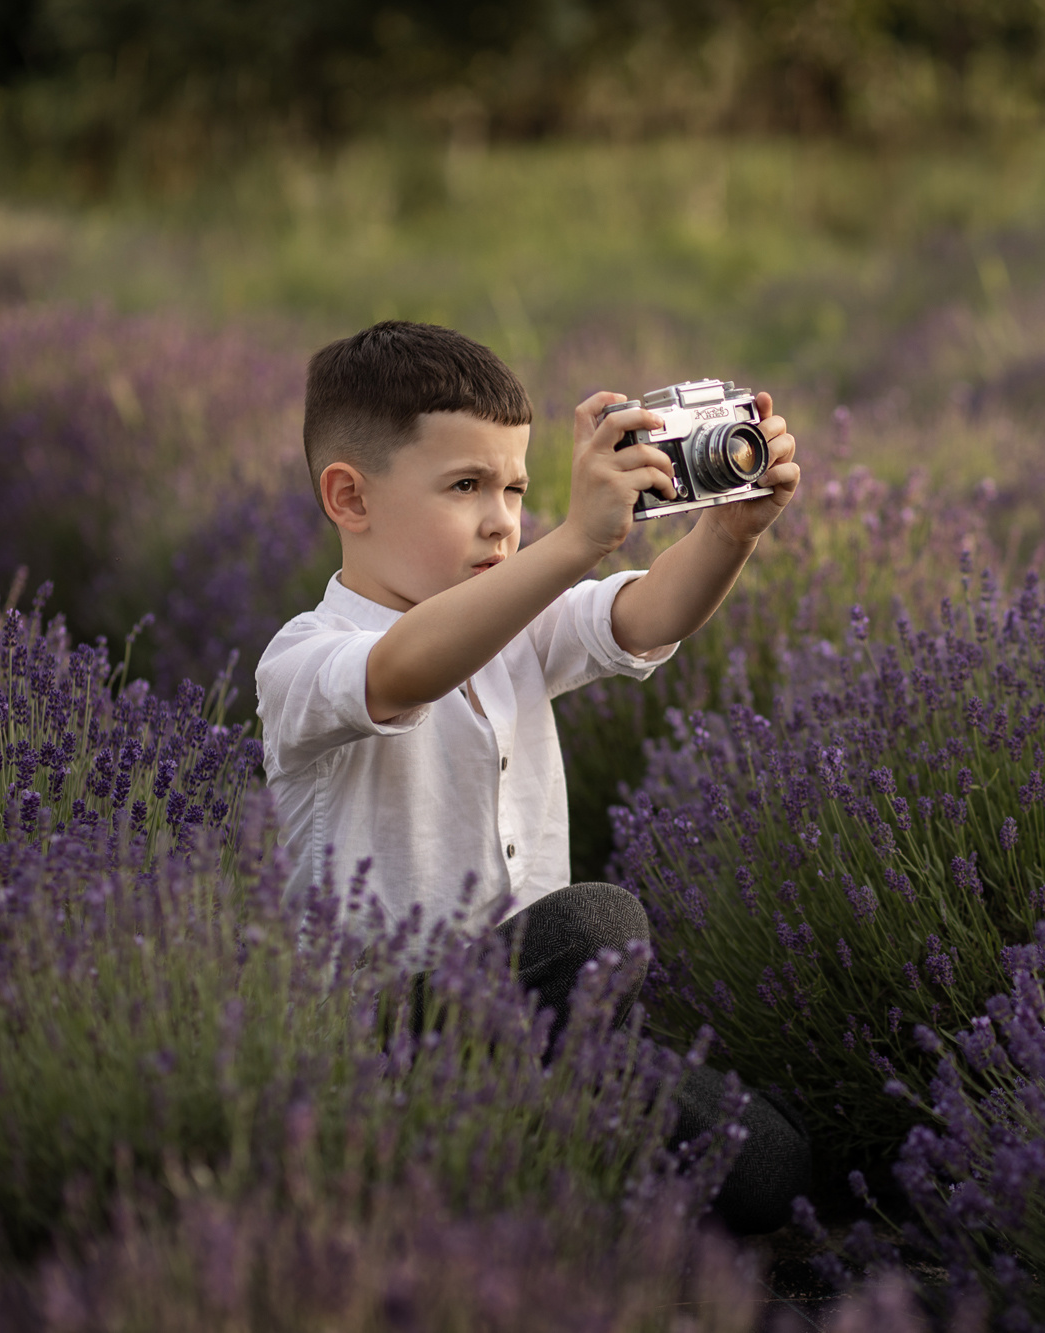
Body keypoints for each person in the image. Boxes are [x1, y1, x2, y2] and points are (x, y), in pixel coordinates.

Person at [255, 320, 809, 1232]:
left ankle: (543, 1124)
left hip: (534, 1016)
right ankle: (486, 1158)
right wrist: (573, 542)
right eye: (466, 486)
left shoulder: (514, 626)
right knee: (596, 924)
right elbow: (403, 671)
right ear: (350, 498)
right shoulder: (303, 660)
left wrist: (732, 532)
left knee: (771, 1161)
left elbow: (642, 615)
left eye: (515, 487)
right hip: (385, 1046)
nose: (502, 519)